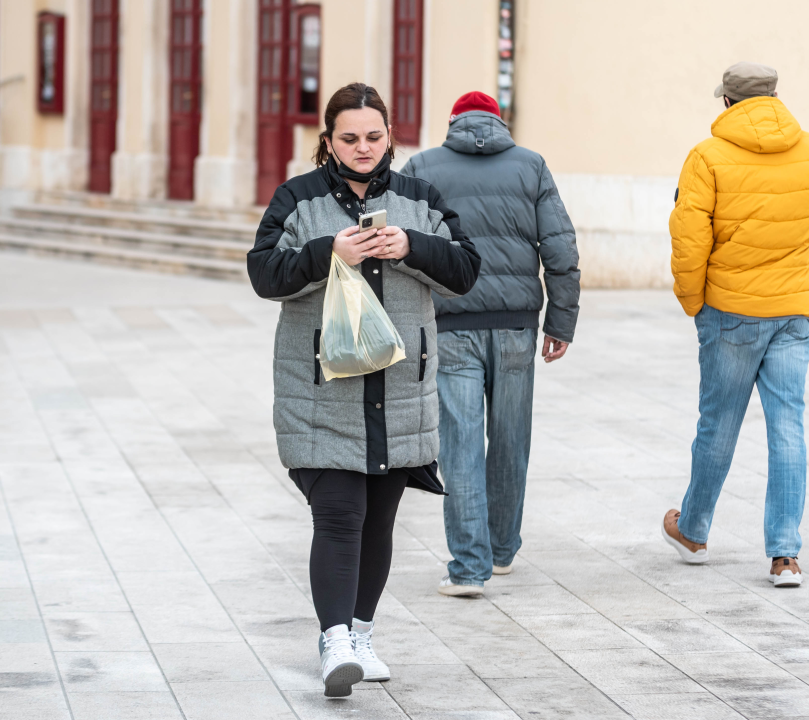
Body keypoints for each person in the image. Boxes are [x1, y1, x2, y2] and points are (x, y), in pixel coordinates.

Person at [247, 83, 480, 697]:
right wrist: (328, 252)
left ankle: (361, 631)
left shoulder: (419, 198)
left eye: (373, 137)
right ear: (328, 141)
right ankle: (334, 642)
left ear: (389, 138)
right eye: (348, 138)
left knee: (379, 521)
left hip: (400, 393)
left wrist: (413, 246)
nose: (362, 147)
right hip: (322, 393)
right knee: (339, 515)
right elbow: (263, 273)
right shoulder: (296, 200)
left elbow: (466, 269)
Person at [662, 62, 809, 587]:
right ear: (775, 96)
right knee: (789, 426)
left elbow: (689, 240)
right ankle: (785, 555)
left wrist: (693, 302)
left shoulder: (707, 156)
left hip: (731, 311)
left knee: (718, 423)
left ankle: (693, 531)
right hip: (794, 309)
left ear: (726, 103)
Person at [401, 91, 580, 596]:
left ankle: (468, 567)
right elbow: (561, 248)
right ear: (498, 123)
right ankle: (501, 551)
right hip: (518, 327)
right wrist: (560, 323)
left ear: (454, 122)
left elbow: (409, 248)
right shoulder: (532, 166)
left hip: (452, 324)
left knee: (459, 445)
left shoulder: (423, 167)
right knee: (510, 439)